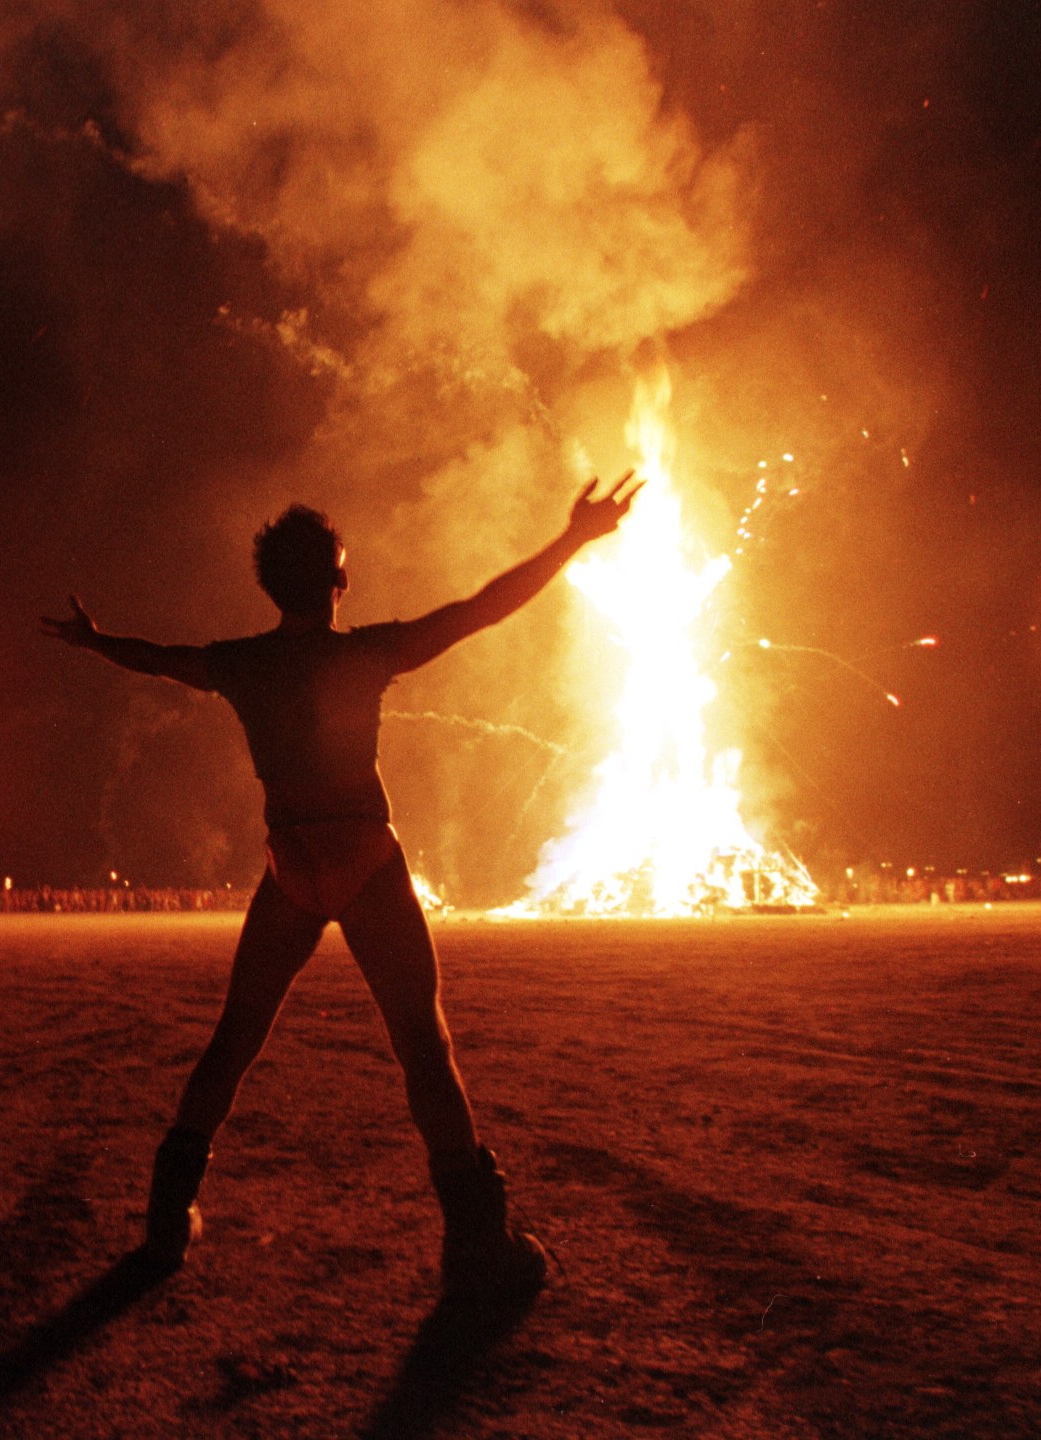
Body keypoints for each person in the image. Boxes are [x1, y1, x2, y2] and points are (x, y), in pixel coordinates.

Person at [41, 474, 641, 1303]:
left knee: (236, 1038)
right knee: (423, 1049)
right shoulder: (366, 653)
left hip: (293, 864)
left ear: (270, 585)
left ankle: (166, 1220)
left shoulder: (241, 665)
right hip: (363, 857)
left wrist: (95, 639)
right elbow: (482, 608)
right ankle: (477, 1244)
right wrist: (574, 538)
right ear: (338, 580)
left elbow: (158, 660)